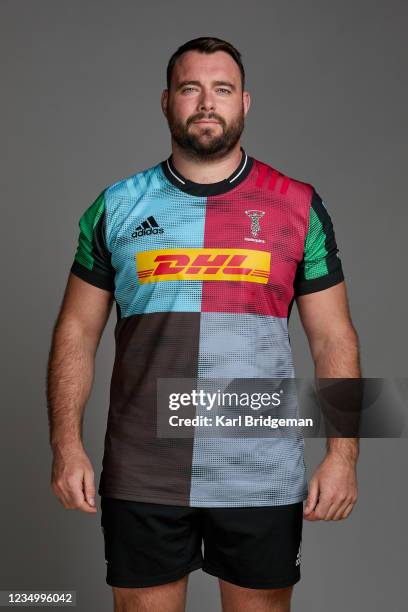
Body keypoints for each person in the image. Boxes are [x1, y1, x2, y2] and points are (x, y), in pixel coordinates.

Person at [47, 36, 360, 612]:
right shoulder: (117, 205)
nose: (207, 102)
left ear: (246, 102)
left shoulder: (298, 204)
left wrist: (343, 457)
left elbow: (334, 336)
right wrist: (66, 446)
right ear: (167, 101)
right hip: (143, 468)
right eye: (192, 89)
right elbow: (75, 332)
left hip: (260, 466)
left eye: (222, 89)